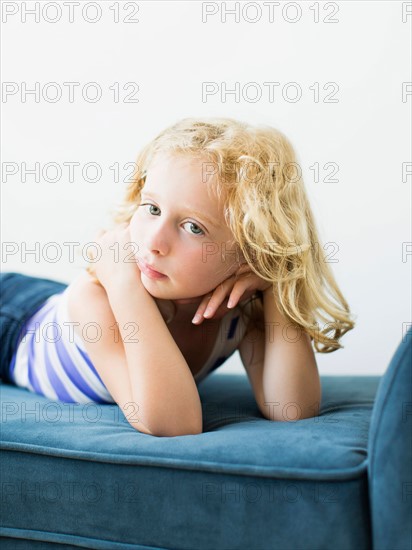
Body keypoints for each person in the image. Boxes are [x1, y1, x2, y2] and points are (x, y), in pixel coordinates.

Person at [0, 117, 356, 437]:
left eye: (193, 227)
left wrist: (276, 283)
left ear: (251, 249)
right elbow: (174, 423)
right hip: (14, 319)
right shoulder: (95, 298)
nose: (154, 243)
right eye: (152, 208)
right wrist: (124, 283)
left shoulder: (240, 311)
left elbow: (292, 410)